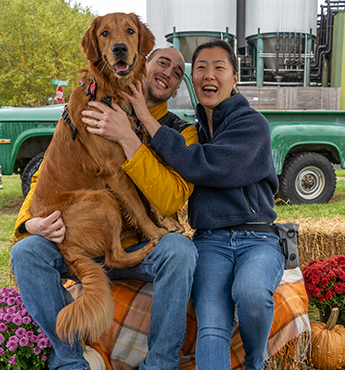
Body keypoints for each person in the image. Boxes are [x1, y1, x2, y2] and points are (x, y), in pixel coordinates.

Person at [86, 39, 286, 370]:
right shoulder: (192, 131)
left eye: (219, 68)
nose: (210, 74)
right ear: (192, 82)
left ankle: (254, 362)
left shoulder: (252, 125)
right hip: (211, 241)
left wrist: (144, 121)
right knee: (211, 325)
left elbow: (203, 165)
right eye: (201, 68)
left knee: (251, 293)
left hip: (258, 238)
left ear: (235, 78)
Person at [10, 47, 198, 370]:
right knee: (25, 253)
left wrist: (129, 138)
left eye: (177, 72)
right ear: (143, 63)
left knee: (181, 251)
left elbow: (172, 198)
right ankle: (70, 360)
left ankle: (160, 364)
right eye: (162, 63)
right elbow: (52, 172)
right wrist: (28, 223)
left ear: (178, 87)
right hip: (87, 237)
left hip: (139, 244)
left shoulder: (183, 131)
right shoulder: (93, 105)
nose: (168, 72)